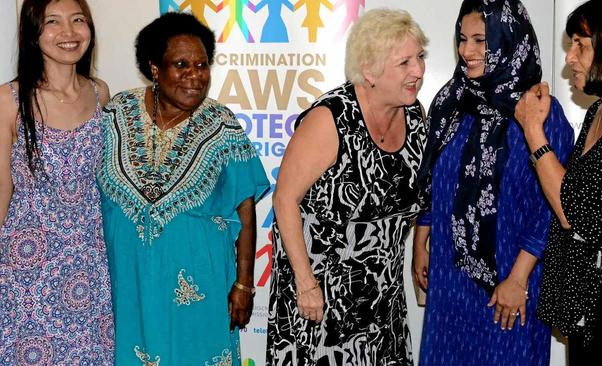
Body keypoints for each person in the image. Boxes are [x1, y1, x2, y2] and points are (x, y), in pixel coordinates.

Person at [97, 12, 269, 366]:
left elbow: (245, 208)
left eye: (202, 65)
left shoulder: (221, 124)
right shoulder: (116, 112)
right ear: (155, 68)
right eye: (181, 65)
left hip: (200, 286)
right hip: (129, 284)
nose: (195, 76)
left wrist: (243, 285)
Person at [413, 0, 575, 365]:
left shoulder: (540, 113)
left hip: (510, 285)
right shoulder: (452, 102)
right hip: (450, 281)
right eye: (462, 38)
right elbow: (436, 180)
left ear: (508, 40)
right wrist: (420, 240)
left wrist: (517, 279)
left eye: (480, 40)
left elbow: (550, 208)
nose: (465, 51)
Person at [266, 8, 429, 365]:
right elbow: (284, 199)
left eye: (420, 58)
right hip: (320, 298)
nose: (417, 70)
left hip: (383, 298)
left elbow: (421, 199)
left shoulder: (416, 118)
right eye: (404, 62)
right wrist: (306, 284)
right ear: (369, 70)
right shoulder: (331, 119)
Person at [516, 0, 602, 364]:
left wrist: (533, 131)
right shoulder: (599, 110)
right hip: (588, 309)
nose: (569, 59)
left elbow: (572, 211)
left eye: (581, 45)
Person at [0, 0, 114, 364]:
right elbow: (1, 186)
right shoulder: (9, 100)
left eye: (77, 20)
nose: (68, 32)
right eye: (53, 22)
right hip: (28, 267)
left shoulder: (100, 93)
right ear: (34, 34)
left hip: (92, 263)